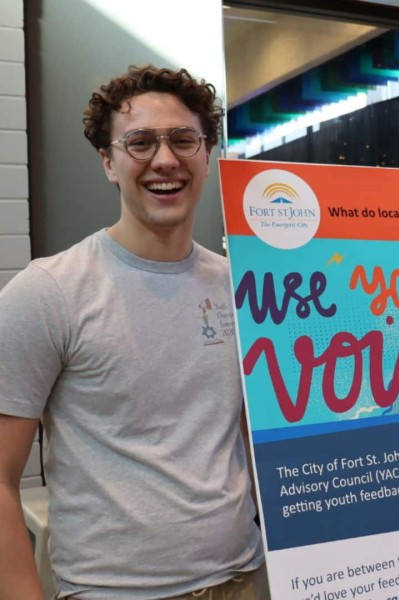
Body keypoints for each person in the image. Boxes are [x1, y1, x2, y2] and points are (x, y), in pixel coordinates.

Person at [0, 65, 267, 599]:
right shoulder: (48, 292)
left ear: (207, 157)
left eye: (183, 140)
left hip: (247, 578)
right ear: (109, 162)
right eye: (140, 142)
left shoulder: (242, 287)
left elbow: (245, 441)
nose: (164, 159)